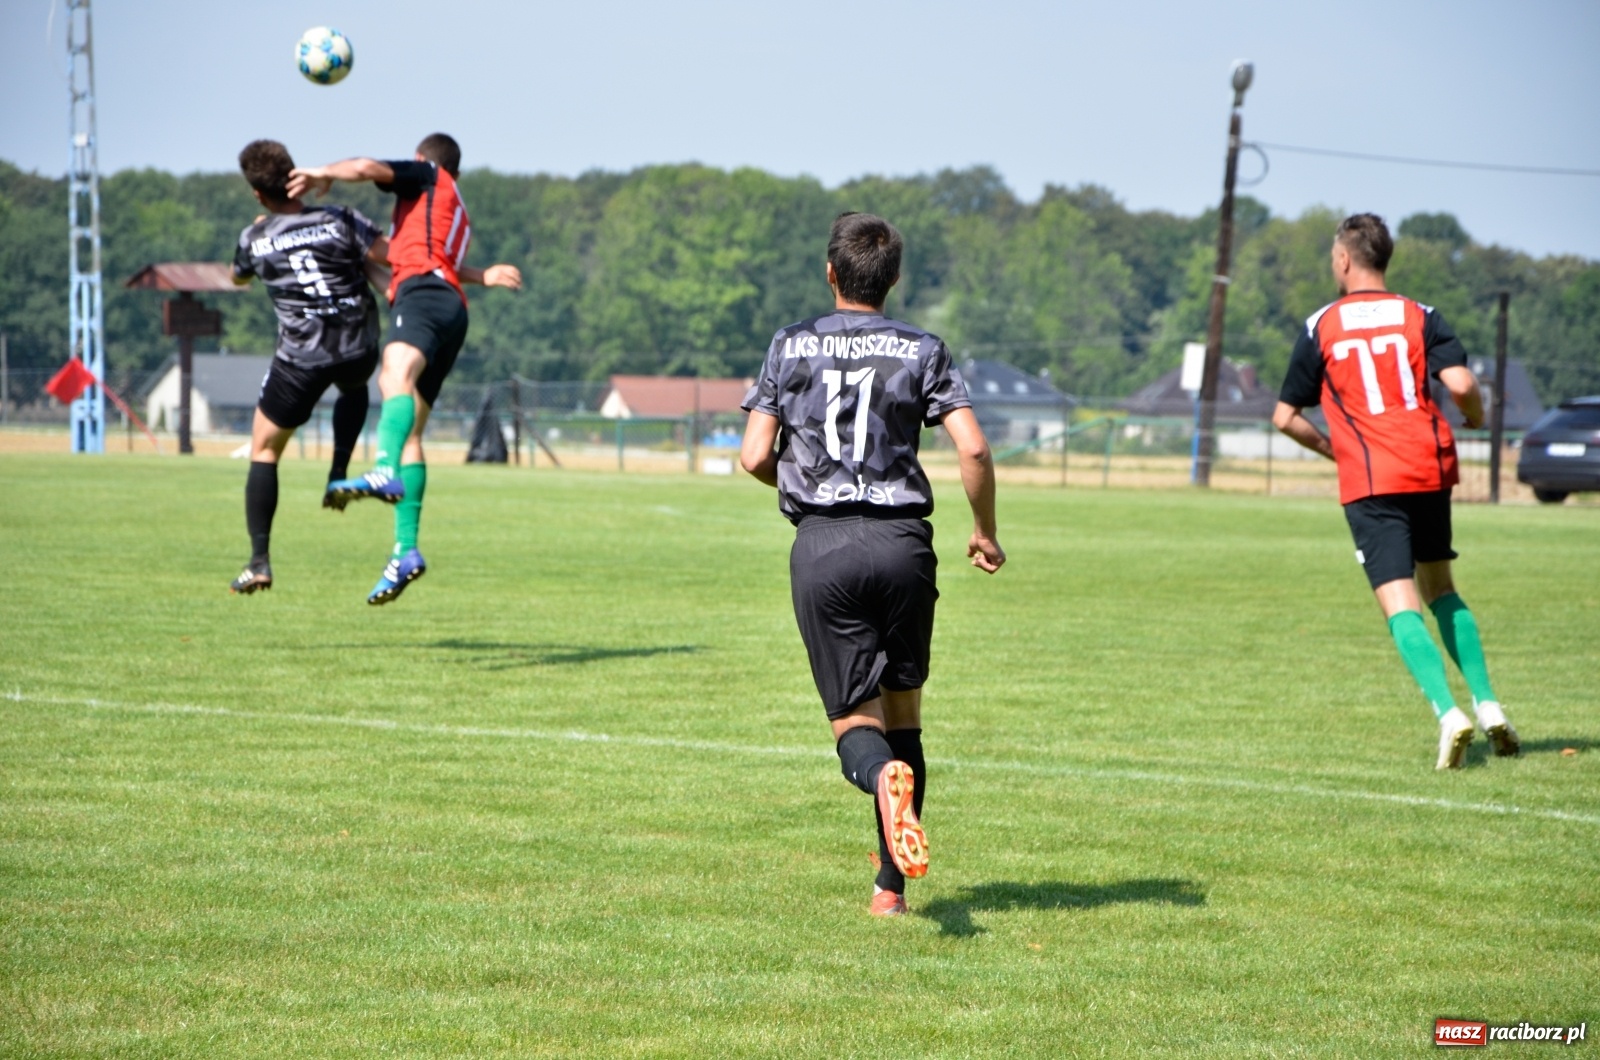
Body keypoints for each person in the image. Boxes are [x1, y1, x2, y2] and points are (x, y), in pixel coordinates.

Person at [740, 212, 1006, 916]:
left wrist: (808, 488)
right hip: (903, 546)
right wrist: (983, 531)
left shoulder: (790, 344)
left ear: (831, 274)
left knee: (855, 728)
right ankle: (889, 891)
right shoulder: (923, 348)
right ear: (892, 279)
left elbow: (752, 455)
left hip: (824, 545)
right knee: (905, 716)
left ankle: (878, 774)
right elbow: (973, 449)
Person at [1273, 213, 1519, 769]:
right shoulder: (1421, 316)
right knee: (1442, 589)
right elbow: (1459, 384)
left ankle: (1448, 714)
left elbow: (1285, 417)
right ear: (1384, 259)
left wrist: (1338, 450)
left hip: (1372, 477)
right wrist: (1475, 417)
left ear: (1342, 260)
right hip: (1428, 468)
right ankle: (1489, 705)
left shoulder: (1321, 325)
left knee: (1399, 600)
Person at [285, 133, 523, 604]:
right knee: (411, 429)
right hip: (449, 306)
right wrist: (484, 275)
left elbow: (369, 167)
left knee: (392, 373)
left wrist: (322, 172)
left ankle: (381, 468)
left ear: (421, 161)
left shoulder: (429, 176)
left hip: (427, 298)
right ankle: (405, 551)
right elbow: (407, 264)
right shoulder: (449, 213)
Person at [228, 139, 388, 595]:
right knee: (354, 387)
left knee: (264, 449)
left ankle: (259, 560)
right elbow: (389, 255)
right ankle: (338, 473)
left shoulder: (254, 237)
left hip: (302, 359)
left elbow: (237, 277)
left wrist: (263, 233)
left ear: (258, 194)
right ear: (296, 175)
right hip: (359, 347)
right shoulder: (339, 218)